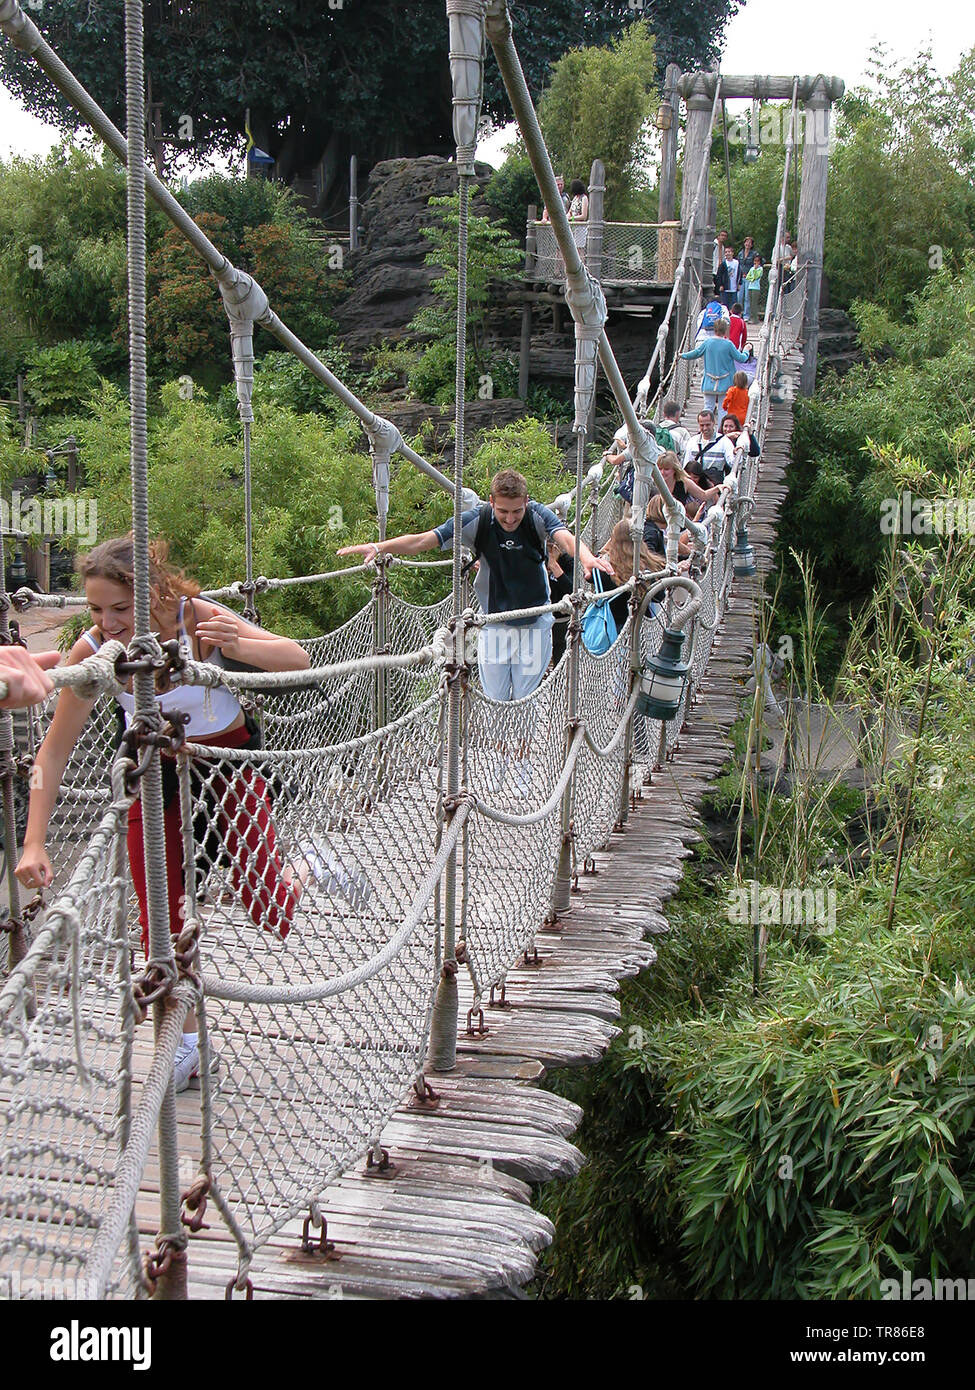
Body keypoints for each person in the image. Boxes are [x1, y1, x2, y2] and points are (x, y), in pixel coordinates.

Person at [15, 536, 311, 1092]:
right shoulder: (96, 652)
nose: (108, 623)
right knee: (161, 920)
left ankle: (311, 870)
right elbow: (52, 751)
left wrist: (239, 645)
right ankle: (185, 1042)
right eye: (97, 610)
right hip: (153, 775)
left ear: (151, 594)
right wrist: (35, 842)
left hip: (226, 763)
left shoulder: (196, 618)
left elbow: (297, 658)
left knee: (270, 907)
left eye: (121, 610)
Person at [338, 469, 612, 703]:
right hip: (493, 622)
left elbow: (565, 537)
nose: (509, 519)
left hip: (535, 623)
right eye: (503, 511)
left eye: (517, 511)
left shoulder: (536, 516)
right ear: (491, 502)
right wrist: (379, 546)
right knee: (495, 698)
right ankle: (500, 764)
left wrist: (587, 558)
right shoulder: (477, 521)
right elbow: (423, 541)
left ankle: (522, 765)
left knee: (525, 700)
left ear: (527, 502)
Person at [679, 318, 750, 422]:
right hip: (725, 382)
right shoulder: (728, 344)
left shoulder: (707, 342)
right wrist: (746, 350)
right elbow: (741, 358)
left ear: (714, 329)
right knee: (723, 409)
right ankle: (721, 432)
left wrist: (682, 355)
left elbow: (695, 353)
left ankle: (704, 427)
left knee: (708, 407)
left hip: (709, 381)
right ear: (726, 330)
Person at [600, 520, 664, 632]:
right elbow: (659, 596)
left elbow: (589, 578)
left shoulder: (604, 565)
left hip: (610, 625)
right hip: (640, 626)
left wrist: (608, 545)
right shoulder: (649, 564)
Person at [683, 409, 736, 482]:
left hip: (714, 483)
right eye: (702, 425)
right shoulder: (692, 441)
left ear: (713, 423)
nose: (705, 428)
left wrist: (736, 454)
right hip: (696, 484)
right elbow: (686, 466)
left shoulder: (724, 441)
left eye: (708, 425)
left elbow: (733, 463)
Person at [567, 179, 589, 258]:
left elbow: (584, 215)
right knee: (572, 249)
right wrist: (566, 218)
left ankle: (581, 268)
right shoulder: (575, 198)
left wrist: (572, 218)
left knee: (580, 249)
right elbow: (570, 211)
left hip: (580, 227)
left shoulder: (584, 198)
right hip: (572, 227)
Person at [714, 245, 741, 310]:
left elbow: (739, 273)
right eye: (726, 252)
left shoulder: (736, 263)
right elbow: (719, 275)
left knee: (733, 304)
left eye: (729, 252)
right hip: (725, 288)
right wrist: (720, 285)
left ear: (732, 253)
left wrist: (739, 283)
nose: (727, 253)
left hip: (734, 287)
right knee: (725, 305)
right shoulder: (723, 264)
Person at [742, 254, 764, 321]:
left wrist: (755, 270)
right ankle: (751, 317)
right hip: (750, 287)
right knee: (750, 303)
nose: (756, 262)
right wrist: (751, 278)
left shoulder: (760, 269)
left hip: (756, 287)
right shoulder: (751, 268)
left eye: (757, 261)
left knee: (754, 303)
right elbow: (748, 277)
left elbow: (756, 276)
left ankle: (755, 318)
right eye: (755, 261)